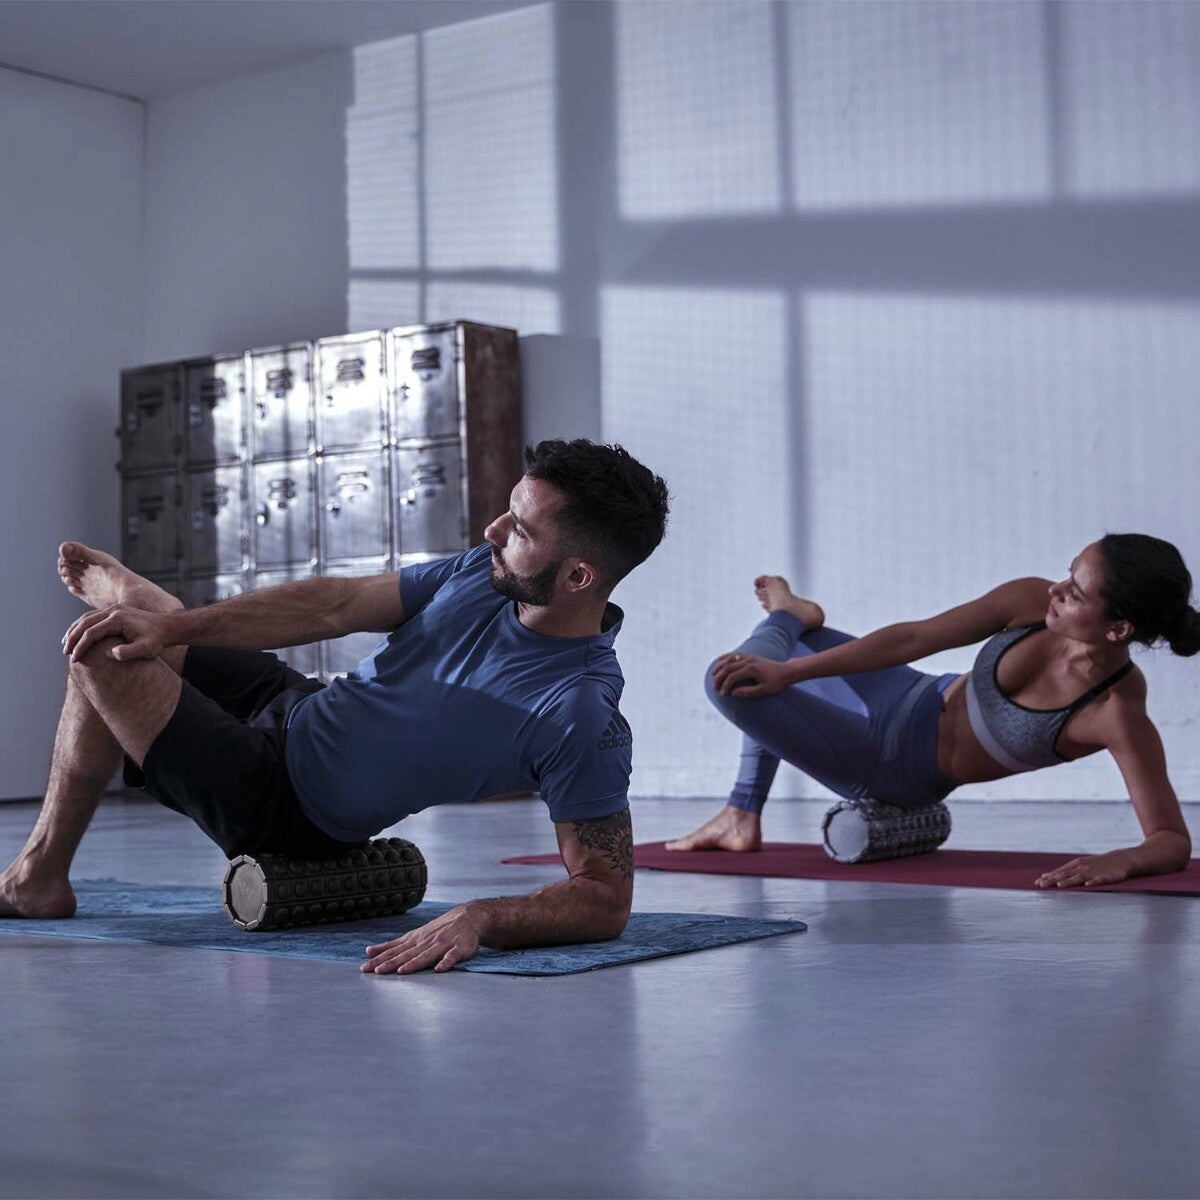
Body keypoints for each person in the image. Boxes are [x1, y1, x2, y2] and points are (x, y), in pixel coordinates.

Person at [0, 439, 670, 972]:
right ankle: (164, 616)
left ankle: (39, 876)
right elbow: (337, 604)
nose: (493, 529)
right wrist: (176, 632)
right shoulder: (481, 574)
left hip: (284, 806)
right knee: (143, 629)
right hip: (299, 709)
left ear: (579, 575)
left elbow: (605, 899)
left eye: (518, 527)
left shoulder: (576, 712)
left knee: (101, 648)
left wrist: (483, 916)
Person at [667, 534, 1196, 887]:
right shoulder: (1033, 600)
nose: (1057, 589)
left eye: (1076, 592)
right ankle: (742, 809)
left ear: (1119, 629)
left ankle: (787, 620)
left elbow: (1171, 840)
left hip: (893, 767)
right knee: (763, 673)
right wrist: (792, 672)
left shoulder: (1114, 710)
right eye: (1066, 574)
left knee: (731, 682)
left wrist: (1118, 861)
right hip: (906, 689)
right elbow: (915, 638)